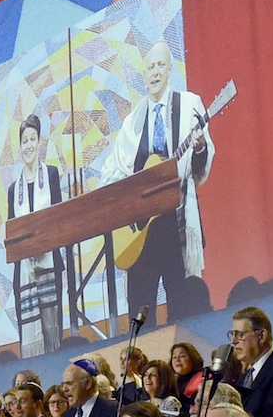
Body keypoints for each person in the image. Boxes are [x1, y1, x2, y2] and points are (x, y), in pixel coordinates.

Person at [89, 41, 217, 317]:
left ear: (170, 70)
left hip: (175, 223)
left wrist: (199, 147)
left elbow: (199, 167)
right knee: (139, 310)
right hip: (140, 233)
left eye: (161, 65)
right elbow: (111, 173)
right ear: (144, 75)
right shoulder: (133, 120)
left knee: (181, 308)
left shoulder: (189, 104)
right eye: (150, 67)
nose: (155, 72)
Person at [6, 113, 66, 355]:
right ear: (20, 147)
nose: (28, 145)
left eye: (32, 139)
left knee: (53, 332)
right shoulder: (13, 190)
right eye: (24, 141)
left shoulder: (51, 175)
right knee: (29, 335)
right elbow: (12, 231)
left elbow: (60, 216)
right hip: (24, 272)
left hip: (49, 262)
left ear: (39, 143)